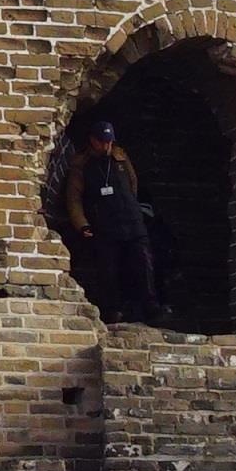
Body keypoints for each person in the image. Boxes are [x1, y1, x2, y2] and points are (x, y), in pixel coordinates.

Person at [60, 120, 159, 324]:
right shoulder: (81, 165)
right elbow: (74, 198)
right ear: (93, 141)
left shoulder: (120, 158)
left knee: (144, 263)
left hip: (131, 220)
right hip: (104, 224)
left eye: (109, 142)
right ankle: (113, 310)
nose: (107, 146)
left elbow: (133, 184)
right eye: (103, 142)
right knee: (108, 270)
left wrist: (132, 208)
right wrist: (82, 224)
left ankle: (150, 307)